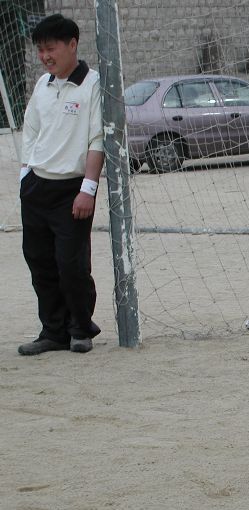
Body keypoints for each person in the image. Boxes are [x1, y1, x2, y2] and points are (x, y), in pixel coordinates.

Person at [17, 14, 104, 355]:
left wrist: (88, 189)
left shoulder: (93, 84)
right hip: (36, 187)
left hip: (73, 190)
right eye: (40, 50)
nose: (45, 56)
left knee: (71, 265)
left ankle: (80, 329)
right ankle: (53, 331)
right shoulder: (43, 84)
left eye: (50, 48)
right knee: (39, 261)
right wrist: (26, 176)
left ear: (72, 44)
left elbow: (97, 140)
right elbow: (31, 132)